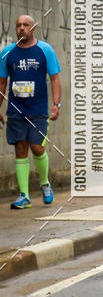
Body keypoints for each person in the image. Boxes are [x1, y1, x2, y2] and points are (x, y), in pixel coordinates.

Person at [0, 15, 61, 208]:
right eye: (18, 25)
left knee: (37, 147)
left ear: (33, 28)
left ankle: (44, 183)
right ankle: (24, 195)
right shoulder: (7, 53)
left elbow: (55, 79)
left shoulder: (45, 50)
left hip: (38, 110)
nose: (21, 28)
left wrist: (56, 104)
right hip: (16, 110)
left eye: (25, 25)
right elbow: (2, 83)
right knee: (20, 149)